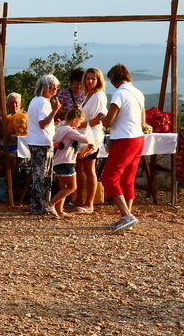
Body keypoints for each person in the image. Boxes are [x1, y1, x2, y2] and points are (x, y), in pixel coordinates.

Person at [101, 63, 147, 233]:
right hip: (138, 138)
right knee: (127, 178)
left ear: (113, 80)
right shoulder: (138, 93)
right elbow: (143, 120)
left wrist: (101, 116)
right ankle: (126, 216)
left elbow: (108, 122)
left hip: (124, 140)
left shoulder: (119, 94)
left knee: (109, 177)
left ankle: (126, 215)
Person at [24, 74, 61, 215]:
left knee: (39, 176)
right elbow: (42, 124)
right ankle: (41, 206)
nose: (55, 90)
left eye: (56, 87)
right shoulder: (44, 102)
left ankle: (37, 206)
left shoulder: (35, 100)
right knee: (43, 177)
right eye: (52, 88)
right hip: (42, 143)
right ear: (44, 88)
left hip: (35, 141)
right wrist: (55, 110)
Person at [72, 67, 108, 213]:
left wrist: (80, 124)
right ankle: (79, 200)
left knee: (89, 169)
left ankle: (89, 203)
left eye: (93, 78)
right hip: (81, 135)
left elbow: (98, 119)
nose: (90, 81)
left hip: (91, 137)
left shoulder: (99, 95)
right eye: (88, 78)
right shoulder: (87, 95)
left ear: (98, 80)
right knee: (79, 168)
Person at [48, 108, 95, 218]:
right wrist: (92, 142)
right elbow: (85, 139)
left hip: (58, 161)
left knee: (63, 187)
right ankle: (50, 204)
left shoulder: (60, 129)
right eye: (79, 122)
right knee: (72, 187)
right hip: (67, 161)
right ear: (74, 120)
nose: (79, 125)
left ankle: (60, 211)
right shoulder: (70, 131)